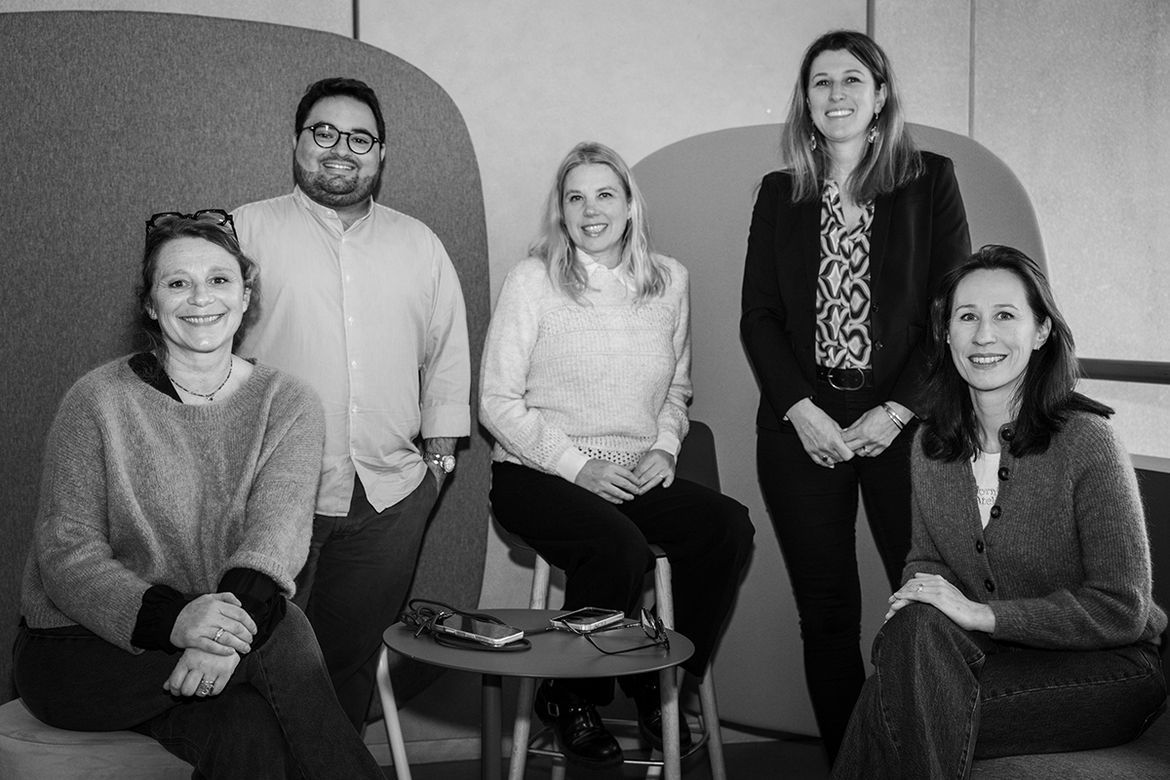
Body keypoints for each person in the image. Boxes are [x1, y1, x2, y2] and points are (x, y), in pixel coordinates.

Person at [13, 211, 383, 778]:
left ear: (245, 296)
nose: (200, 298)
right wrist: (176, 621)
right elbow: (67, 556)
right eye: (177, 283)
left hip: (220, 639)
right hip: (79, 651)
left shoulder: (287, 403)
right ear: (150, 303)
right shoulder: (96, 400)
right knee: (282, 629)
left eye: (219, 279)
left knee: (248, 730)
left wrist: (213, 636)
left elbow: (276, 537)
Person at [831, 245, 1168, 778]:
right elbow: (929, 562)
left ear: (1041, 332)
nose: (983, 335)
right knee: (914, 632)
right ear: (946, 335)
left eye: (1005, 315)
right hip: (993, 660)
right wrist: (919, 597)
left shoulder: (1087, 442)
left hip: (1107, 672)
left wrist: (984, 615)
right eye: (967, 317)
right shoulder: (931, 444)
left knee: (888, 706)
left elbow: (1123, 607)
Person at [482, 141, 754, 769]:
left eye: (605, 194)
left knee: (727, 527)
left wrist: (664, 447)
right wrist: (579, 467)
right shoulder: (533, 280)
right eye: (575, 197)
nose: (591, 210)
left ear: (631, 205)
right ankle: (570, 695)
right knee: (618, 547)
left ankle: (662, 679)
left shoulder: (669, 280)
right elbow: (495, 401)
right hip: (537, 472)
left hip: (632, 473)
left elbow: (676, 390)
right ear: (561, 211)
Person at [740, 29, 971, 759]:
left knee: (926, 605)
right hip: (801, 425)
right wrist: (799, 410)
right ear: (806, 101)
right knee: (827, 613)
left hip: (907, 420)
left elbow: (952, 309)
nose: (835, 94)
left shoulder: (929, 180)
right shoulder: (780, 192)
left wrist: (898, 410)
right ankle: (850, 763)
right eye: (821, 82)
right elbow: (759, 316)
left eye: (851, 80)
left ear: (880, 96)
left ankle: (924, 759)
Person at [233, 77, 471, 730]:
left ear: (381, 154)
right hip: (273, 493)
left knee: (348, 665)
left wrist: (438, 465)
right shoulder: (242, 232)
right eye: (325, 132)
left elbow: (448, 354)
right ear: (297, 142)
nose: (342, 148)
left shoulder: (420, 245)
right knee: (256, 662)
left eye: (360, 138)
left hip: (389, 497)